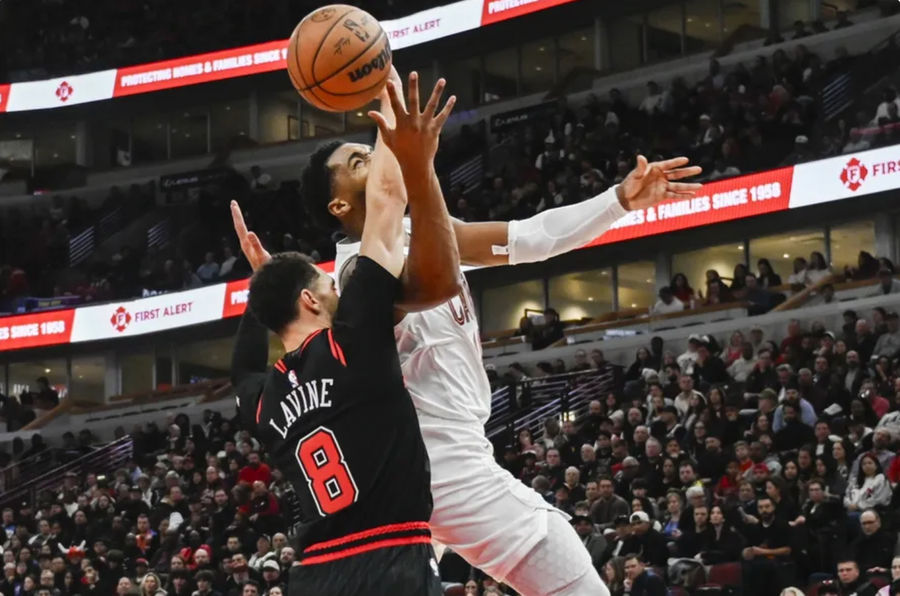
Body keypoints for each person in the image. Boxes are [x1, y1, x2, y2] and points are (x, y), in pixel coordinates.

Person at [234, 68, 702, 596]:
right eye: (357, 161)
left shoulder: (422, 232)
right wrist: (389, 88)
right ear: (339, 205)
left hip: (435, 460)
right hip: (436, 457)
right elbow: (414, 245)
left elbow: (531, 238)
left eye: (368, 153)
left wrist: (618, 201)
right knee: (559, 553)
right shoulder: (351, 276)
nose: (374, 156)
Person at [238, 73, 460, 595]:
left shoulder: (266, 399)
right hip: (389, 557)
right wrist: (389, 101)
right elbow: (385, 201)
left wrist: (262, 291)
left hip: (313, 573)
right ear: (311, 301)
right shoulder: (350, 340)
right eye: (326, 284)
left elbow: (243, 368)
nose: (339, 285)